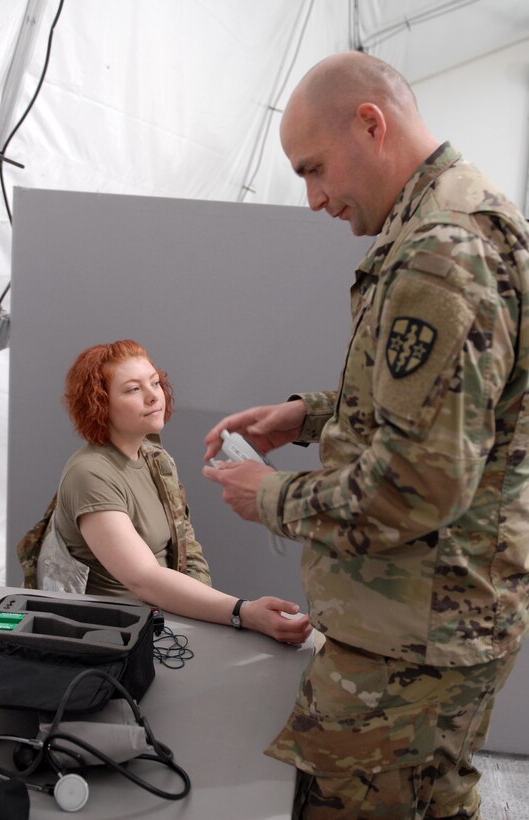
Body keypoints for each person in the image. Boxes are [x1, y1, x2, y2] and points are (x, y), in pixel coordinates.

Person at [203, 51, 529, 818]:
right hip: (441, 621)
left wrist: (272, 497)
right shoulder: (465, 215)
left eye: (314, 169)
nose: (315, 199)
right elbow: (460, 409)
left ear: (370, 125)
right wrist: (308, 415)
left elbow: (417, 486)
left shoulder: (439, 253)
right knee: (434, 797)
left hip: (411, 638)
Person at [36, 339, 311, 646]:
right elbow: (144, 579)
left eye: (155, 382)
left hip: (167, 628)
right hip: (116, 642)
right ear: (99, 403)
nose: (154, 396)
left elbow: (186, 548)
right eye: (133, 389)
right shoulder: (89, 474)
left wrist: (208, 623)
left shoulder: (155, 457)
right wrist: (242, 613)